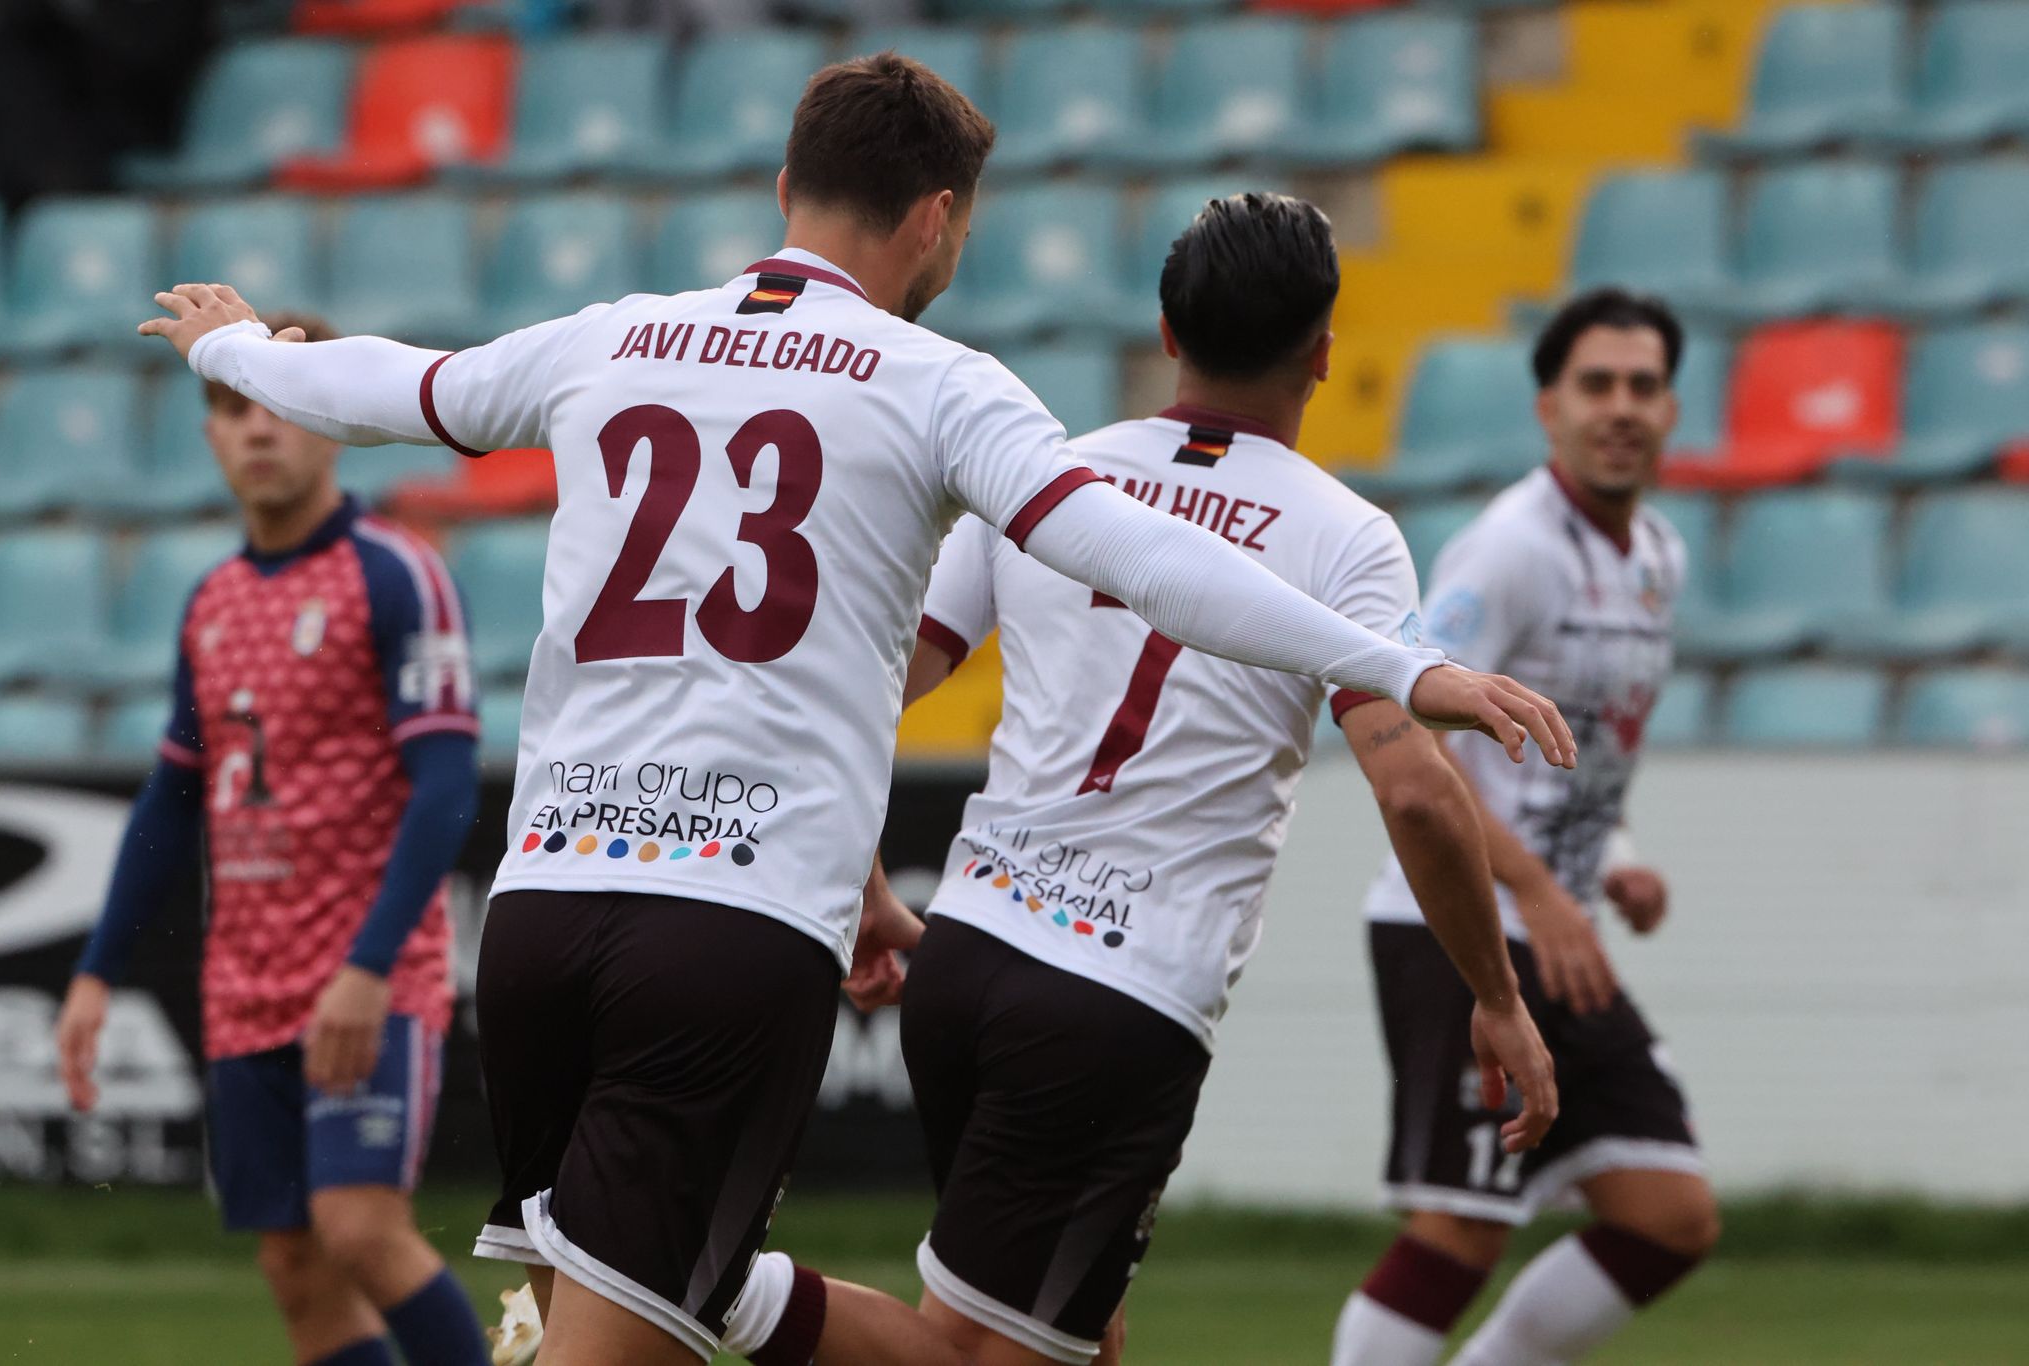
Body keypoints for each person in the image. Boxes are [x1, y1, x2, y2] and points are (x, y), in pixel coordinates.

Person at [133, 55, 1575, 1366]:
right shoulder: (945, 385)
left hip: (544, 909)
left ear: (782, 190)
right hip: (728, 931)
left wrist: (234, 350)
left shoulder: (619, 334)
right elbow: (1151, 557)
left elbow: (398, 386)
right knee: (646, 1329)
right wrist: (1402, 666)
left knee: (660, 1296)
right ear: (941, 219)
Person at [878, 192, 1558, 1366]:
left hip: (968, 950)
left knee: (1074, 1326)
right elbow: (1411, 790)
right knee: (975, 1349)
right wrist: (1495, 994)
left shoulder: (1046, 481)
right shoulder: (1341, 537)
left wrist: (855, 875)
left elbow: (870, 685)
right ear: (1324, 352)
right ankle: (692, 1284)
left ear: (1166, 331)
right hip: (1112, 996)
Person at [55, 313, 490, 1366]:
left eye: (278, 405)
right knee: (295, 1271)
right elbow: (173, 796)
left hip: (363, 976)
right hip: (244, 984)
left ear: (328, 419)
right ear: (208, 438)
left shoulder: (394, 573)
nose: (257, 429)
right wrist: (97, 970)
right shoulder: (212, 604)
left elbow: (443, 786)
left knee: (359, 1230)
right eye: (231, 408)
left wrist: (369, 966)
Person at [1332, 288, 1720, 1366]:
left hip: (1557, 926)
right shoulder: (1505, 549)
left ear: (1669, 409)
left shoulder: (1657, 559)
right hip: (1456, 925)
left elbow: (1580, 749)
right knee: (1463, 1219)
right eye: (1595, 384)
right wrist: (1541, 893)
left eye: (1642, 386)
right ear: (1548, 407)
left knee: (1668, 1212)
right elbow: (1422, 735)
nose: (1620, 407)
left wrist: (1618, 860)